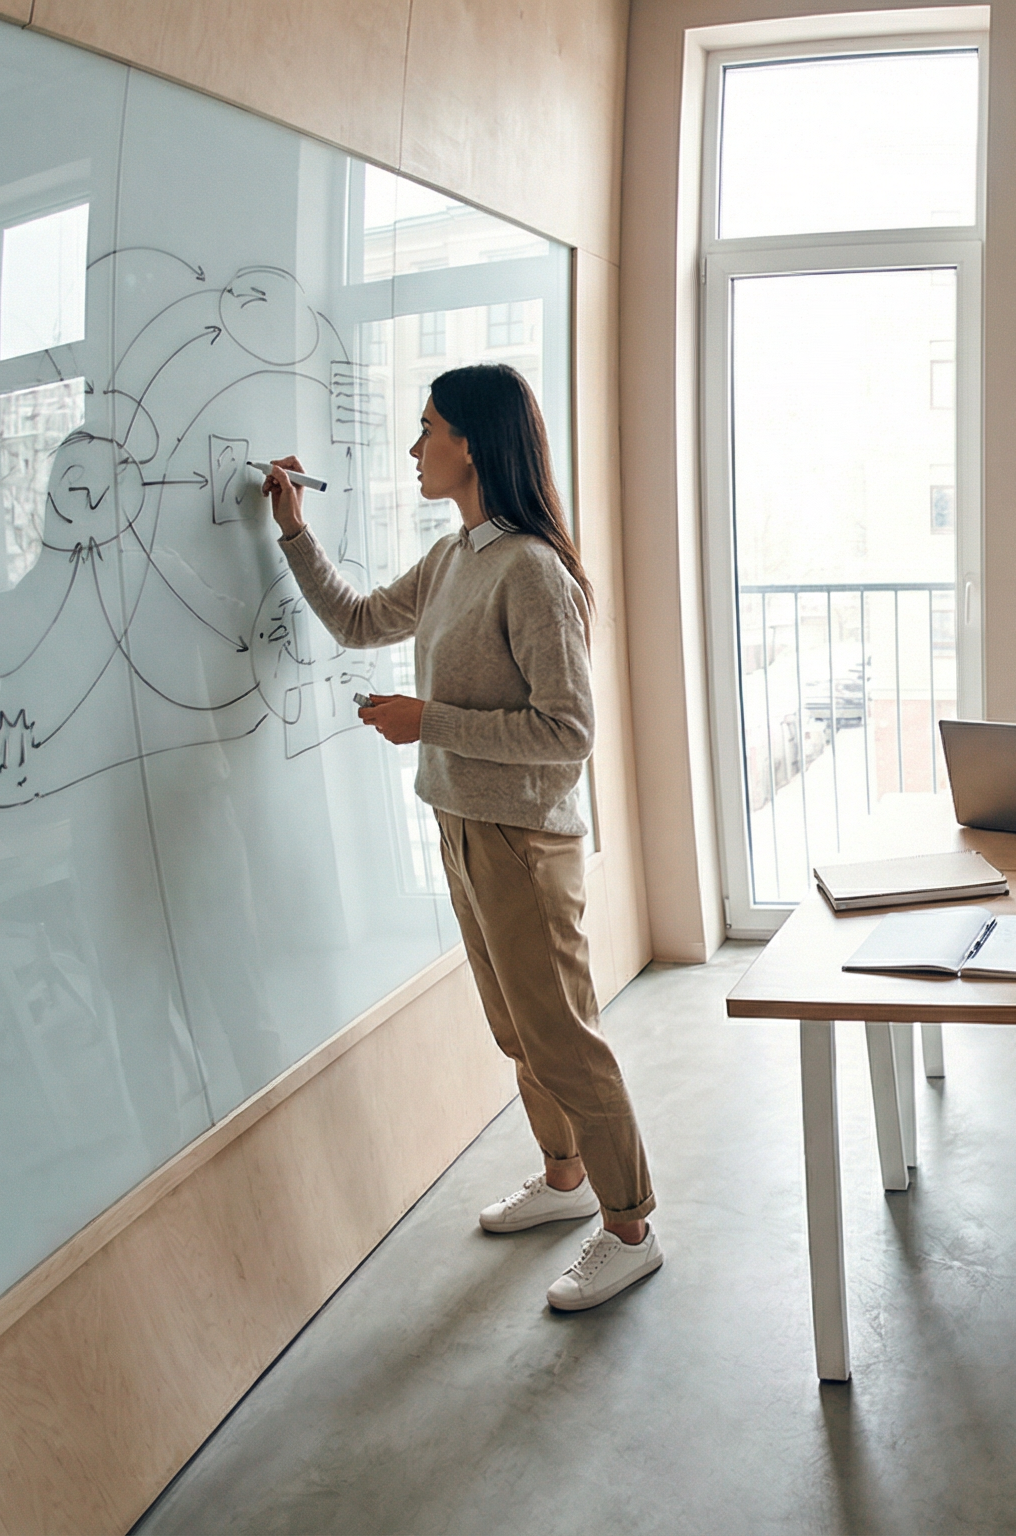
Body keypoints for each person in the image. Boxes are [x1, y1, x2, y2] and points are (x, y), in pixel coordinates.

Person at [262, 363, 661, 1312]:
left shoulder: (529, 569)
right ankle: (566, 1183)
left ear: (472, 442)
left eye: (428, 428)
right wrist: (291, 530)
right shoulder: (453, 560)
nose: (413, 447)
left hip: (524, 842)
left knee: (563, 1041)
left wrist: (427, 719)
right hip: (463, 826)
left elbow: (569, 735)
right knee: (516, 1032)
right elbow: (360, 621)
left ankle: (631, 1226)